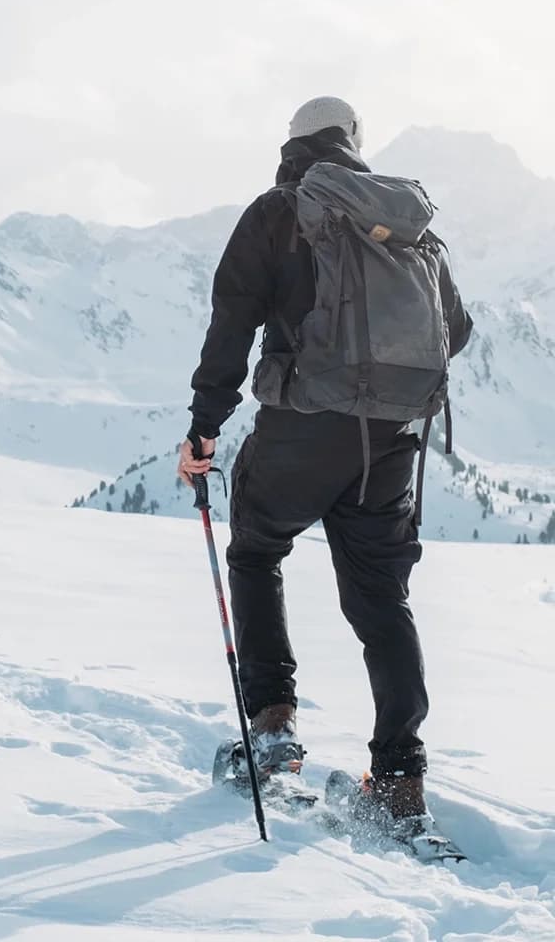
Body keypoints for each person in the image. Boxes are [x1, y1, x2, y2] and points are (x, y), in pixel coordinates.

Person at [177, 97, 473, 834]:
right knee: (381, 600)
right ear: (354, 144)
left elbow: (231, 325)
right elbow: (457, 330)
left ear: (293, 144)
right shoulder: (406, 220)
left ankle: (273, 729)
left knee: (254, 552)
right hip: (392, 438)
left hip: (305, 428)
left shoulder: (279, 211)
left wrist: (203, 429)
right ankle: (401, 781)